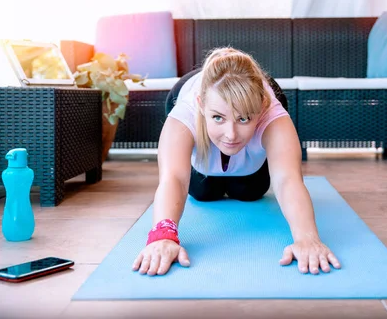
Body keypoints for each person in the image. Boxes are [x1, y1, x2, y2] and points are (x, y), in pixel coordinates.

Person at [132, 47, 341, 276]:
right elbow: (175, 178)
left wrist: (307, 238)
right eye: (218, 118)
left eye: (243, 118)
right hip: (199, 125)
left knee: (250, 192)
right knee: (202, 192)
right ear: (201, 105)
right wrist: (163, 237)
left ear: (261, 108)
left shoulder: (271, 113)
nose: (231, 134)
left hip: (251, 148)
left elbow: (287, 179)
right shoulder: (184, 113)